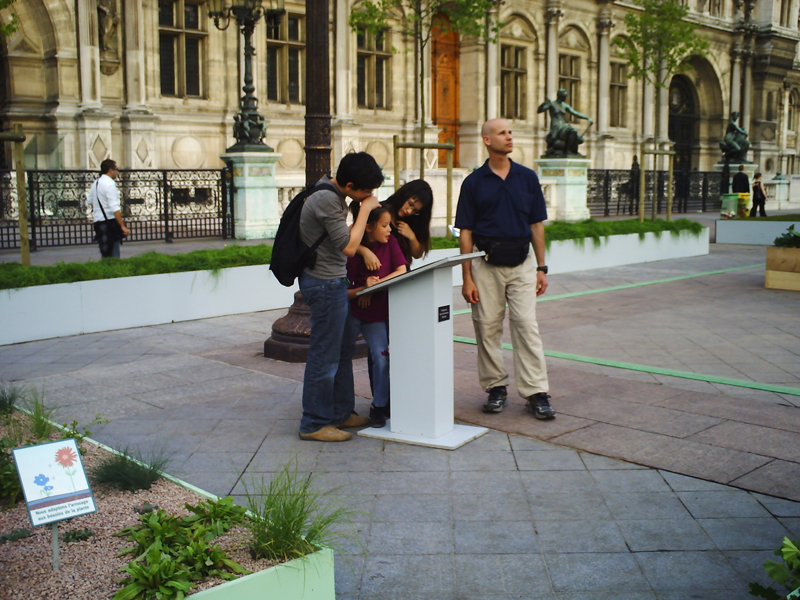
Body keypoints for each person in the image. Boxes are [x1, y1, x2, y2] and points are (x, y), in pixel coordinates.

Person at [455, 119, 555, 420]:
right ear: (487, 140)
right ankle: (495, 387)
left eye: (510, 132)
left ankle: (536, 392)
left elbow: (536, 225)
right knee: (486, 327)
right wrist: (467, 277)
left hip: (522, 262)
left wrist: (541, 268)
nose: (509, 137)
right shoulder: (474, 182)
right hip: (485, 264)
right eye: (502, 133)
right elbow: (465, 232)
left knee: (526, 324)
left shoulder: (527, 177)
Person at [298, 152, 383, 442]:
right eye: (366, 191)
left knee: (341, 352)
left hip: (334, 282)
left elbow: (339, 237)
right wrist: (365, 210)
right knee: (324, 356)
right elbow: (347, 246)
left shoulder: (333, 195)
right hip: (324, 284)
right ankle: (313, 423)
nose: (369, 196)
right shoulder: (326, 198)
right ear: (349, 185)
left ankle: (340, 412)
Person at [345, 206, 408, 428]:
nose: (390, 229)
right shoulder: (351, 250)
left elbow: (402, 270)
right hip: (352, 313)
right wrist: (362, 290)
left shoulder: (390, 243)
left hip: (376, 315)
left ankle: (379, 406)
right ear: (369, 227)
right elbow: (342, 290)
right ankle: (342, 408)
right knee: (342, 358)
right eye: (384, 225)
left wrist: (375, 286)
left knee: (381, 357)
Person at [358, 179, 433, 268]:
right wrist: (364, 252)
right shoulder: (379, 211)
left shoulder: (412, 220)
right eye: (410, 204)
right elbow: (351, 239)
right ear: (405, 194)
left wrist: (412, 237)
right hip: (376, 270)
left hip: (401, 272)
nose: (409, 211)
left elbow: (417, 254)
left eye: (415, 211)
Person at [90, 158, 129, 258]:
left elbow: (89, 201)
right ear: (110, 170)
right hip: (110, 222)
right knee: (113, 253)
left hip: (98, 223)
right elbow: (114, 208)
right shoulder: (110, 184)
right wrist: (122, 226)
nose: (117, 172)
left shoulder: (96, 183)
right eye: (116, 169)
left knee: (105, 251)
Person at [537, 88, 594, 158]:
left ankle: (570, 151)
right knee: (572, 131)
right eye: (564, 97)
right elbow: (539, 111)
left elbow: (575, 113)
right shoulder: (552, 104)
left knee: (573, 132)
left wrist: (587, 118)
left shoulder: (565, 105)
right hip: (556, 125)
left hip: (563, 125)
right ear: (559, 96)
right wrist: (545, 103)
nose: (565, 98)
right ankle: (568, 151)